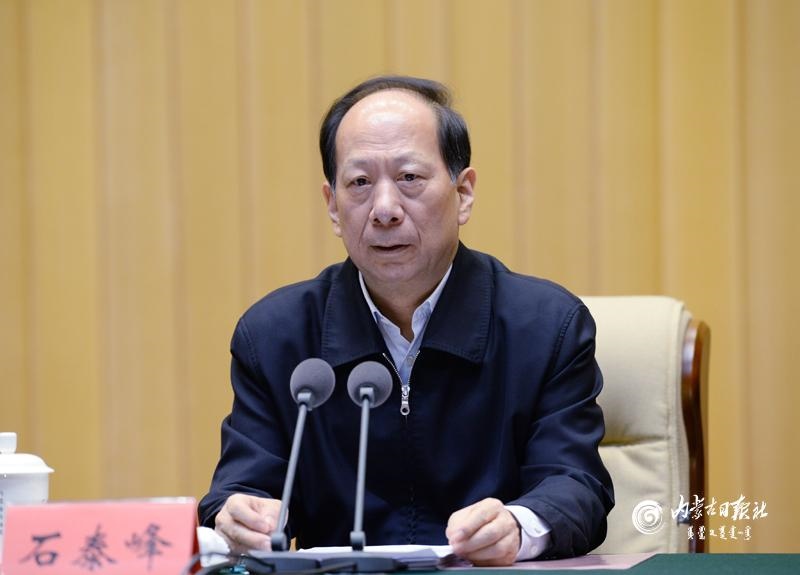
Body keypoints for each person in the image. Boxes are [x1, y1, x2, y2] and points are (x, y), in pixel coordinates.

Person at [198, 76, 614, 565]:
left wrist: (518, 527)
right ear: (332, 205)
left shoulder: (546, 327)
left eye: (410, 178)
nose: (384, 209)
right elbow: (239, 488)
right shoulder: (275, 336)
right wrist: (238, 516)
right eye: (359, 183)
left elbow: (576, 486)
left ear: (463, 192)